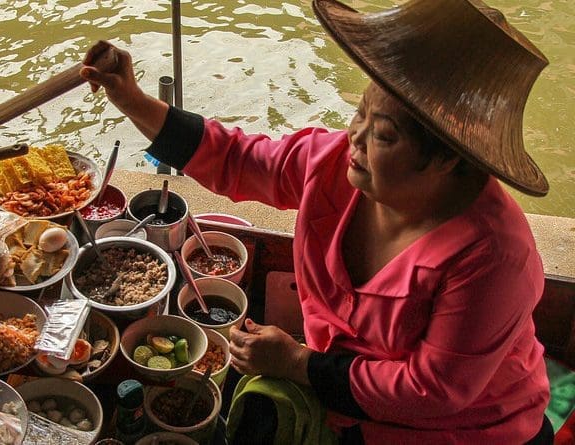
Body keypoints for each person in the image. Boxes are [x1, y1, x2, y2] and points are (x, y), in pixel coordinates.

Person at [80, 0, 553, 443]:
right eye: (360, 113)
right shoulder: (331, 165)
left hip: (462, 429)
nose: (355, 138)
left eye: (383, 134)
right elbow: (236, 158)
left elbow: (431, 391)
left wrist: (299, 364)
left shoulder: (493, 257)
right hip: (338, 392)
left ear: (448, 159)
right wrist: (132, 100)